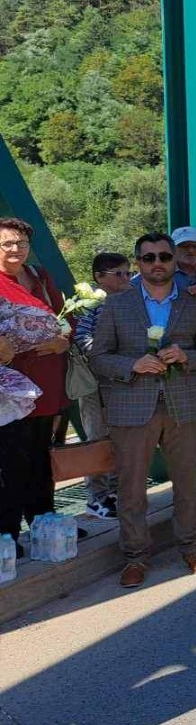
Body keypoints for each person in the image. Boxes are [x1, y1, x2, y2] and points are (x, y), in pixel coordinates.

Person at [90, 231, 196, 587]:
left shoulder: (194, 302)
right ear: (139, 263)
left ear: (174, 260)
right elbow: (98, 357)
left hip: (184, 406)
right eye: (149, 258)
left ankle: (191, 548)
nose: (158, 263)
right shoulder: (117, 304)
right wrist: (132, 364)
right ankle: (135, 557)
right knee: (131, 488)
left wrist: (186, 356)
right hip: (132, 408)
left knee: (188, 483)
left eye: (164, 256)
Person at [0, 217, 71, 546]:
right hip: (9, 390)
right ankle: (7, 535)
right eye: (7, 243)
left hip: (48, 383)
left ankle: (44, 525)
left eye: (22, 243)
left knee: (42, 458)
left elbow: (66, 319)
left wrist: (62, 341)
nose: (15, 249)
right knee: (11, 462)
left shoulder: (39, 276)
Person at [74, 251, 133, 518]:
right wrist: (106, 358)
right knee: (97, 436)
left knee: (122, 436)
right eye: (118, 274)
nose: (125, 278)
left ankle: (116, 491)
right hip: (96, 381)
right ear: (99, 277)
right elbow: (81, 336)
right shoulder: (90, 303)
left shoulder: (130, 299)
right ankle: (96, 497)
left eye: (128, 273)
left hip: (123, 379)